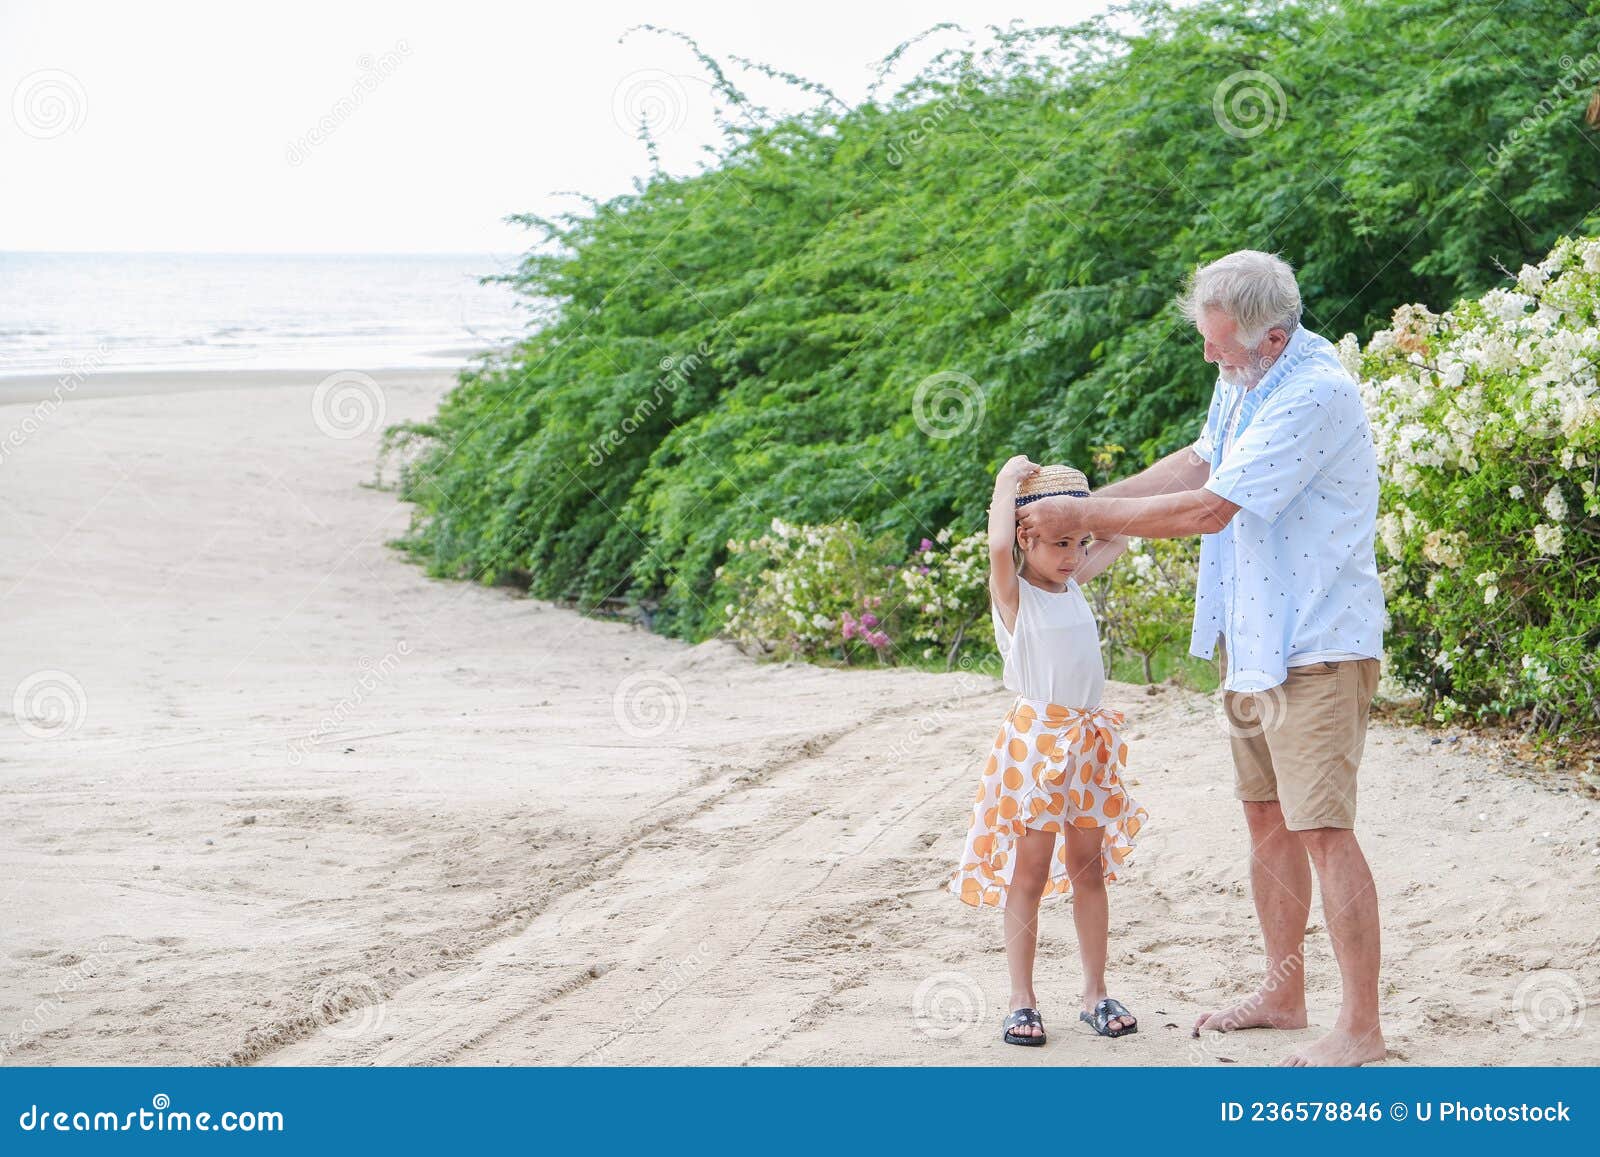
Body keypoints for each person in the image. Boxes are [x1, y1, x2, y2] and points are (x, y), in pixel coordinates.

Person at [1014, 249, 1387, 1067]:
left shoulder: (1317, 392)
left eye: (1222, 346)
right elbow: (1198, 462)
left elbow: (1211, 508)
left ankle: (1360, 1026)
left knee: (1324, 828)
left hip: (1320, 640)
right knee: (1266, 817)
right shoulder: (1243, 375)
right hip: (1254, 637)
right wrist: (1085, 532)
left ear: (1276, 338)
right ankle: (1284, 994)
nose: (1210, 358)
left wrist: (1079, 510)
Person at [946, 458, 1149, 1046]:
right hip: (1037, 745)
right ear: (1024, 539)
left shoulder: (1076, 583)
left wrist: (1081, 513)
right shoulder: (1016, 599)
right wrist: (1008, 480)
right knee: (1029, 872)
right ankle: (1022, 998)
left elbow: (1117, 530)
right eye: (1058, 543)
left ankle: (1094, 990)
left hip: (1085, 744)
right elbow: (995, 547)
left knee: (1090, 868)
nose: (1073, 555)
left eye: (1078, 543)